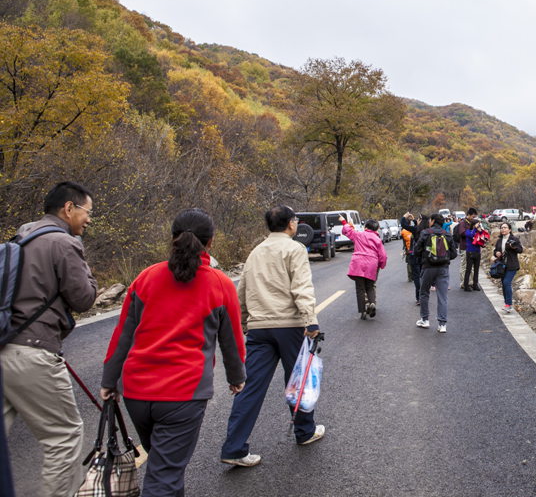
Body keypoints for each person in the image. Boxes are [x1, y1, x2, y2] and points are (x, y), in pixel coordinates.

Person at [101, 208, 246, 494]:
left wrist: (109, 380)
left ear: (172, 238)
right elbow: (231, 340)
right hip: (184, 395)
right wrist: (236, 376)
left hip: (137, 393)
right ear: (211, 242)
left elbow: (123, 335)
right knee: (164, 473)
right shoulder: (220, 283)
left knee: (164, 464)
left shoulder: (146, 277)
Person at [2, 181, 98, 496]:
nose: (88, 220)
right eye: (87, 212)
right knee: (64, 436)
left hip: (6, 344)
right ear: (69, 208)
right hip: (34, 350)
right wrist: (90, 275)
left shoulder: (22, 236)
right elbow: (83, 298)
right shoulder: (63, 243)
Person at [220, 205, 323, 468]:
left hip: (259, 327)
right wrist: (310, 319)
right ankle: (304, 432)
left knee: (250, 387)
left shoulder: (256, 252)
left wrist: (244, 320)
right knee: (298, 380)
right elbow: (301, 286)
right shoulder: (294, 249)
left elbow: (242, 289)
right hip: (290, 326)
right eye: (295, 220)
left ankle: (234, 447)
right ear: (290, 224)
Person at [412, 213, 457, 333]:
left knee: (424, 293)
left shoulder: (426, 232)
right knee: (442, 296)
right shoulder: (447, 234)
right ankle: (442, 324)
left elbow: (416, 250)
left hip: (427, 267)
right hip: (443, 268)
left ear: (432, 221)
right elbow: (454, 254)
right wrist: (444, 258)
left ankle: (425, 320)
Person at [344, 218, 387, 320]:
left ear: (366, 227)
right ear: (376, 229)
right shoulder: (377, 239)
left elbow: (347, 231)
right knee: (370, 286)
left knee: (360, 289)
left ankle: (363, 312)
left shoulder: (359, 235)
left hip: (358, 264)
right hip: (372, 264)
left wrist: (345, 223)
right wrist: (381, 265)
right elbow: (383, 256)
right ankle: (372, 303)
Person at [493, 222, 524, 314]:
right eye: (502, 228)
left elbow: (520, 250)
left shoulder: (514, 239)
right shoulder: (499, 240)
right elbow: (495, 250)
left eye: (505, 227)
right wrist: (496, 253)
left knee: (507, 282)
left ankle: (509, 305)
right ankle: (506, 303)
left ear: (510, 229)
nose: (503, 229)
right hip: (502, 265)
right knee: (503, 284)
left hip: (512, 265)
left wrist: (513, 247)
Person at [454, 208, 480, 291]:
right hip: (465, 247)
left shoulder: (472, 222)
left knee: (471, 267)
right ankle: (463, 283)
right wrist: (472, 232)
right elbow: (462, 233)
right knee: (465, 266)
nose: (473, 218)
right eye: (473, 216)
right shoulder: (463, 223)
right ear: (468, 215)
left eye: (475, 216)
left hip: (473, 248)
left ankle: (471, 282)